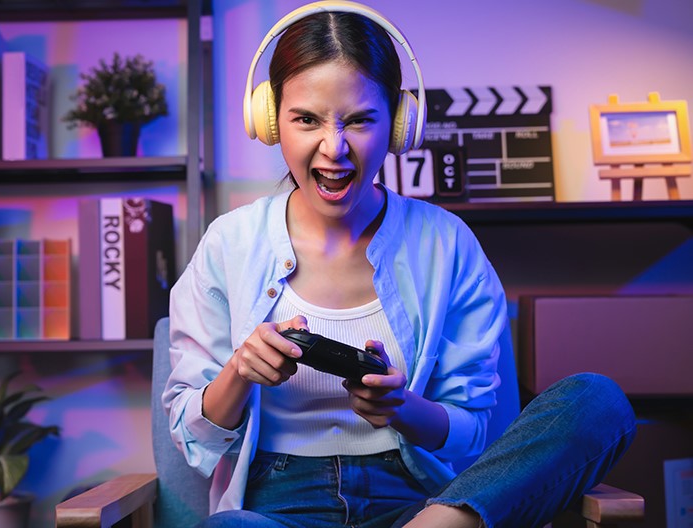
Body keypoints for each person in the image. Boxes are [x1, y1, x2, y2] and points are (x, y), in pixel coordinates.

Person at [162, 2, 637, 527]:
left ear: (398, 124)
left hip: (421, 500)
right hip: (282, 503)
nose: (334, 148)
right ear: (272, 122)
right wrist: (239, 372)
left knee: (598, 403)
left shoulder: (445, 242)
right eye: (306, 120)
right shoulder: (229, 243)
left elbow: (476, 431)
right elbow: (193, 437)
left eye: (361, 120)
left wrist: (403, 410)